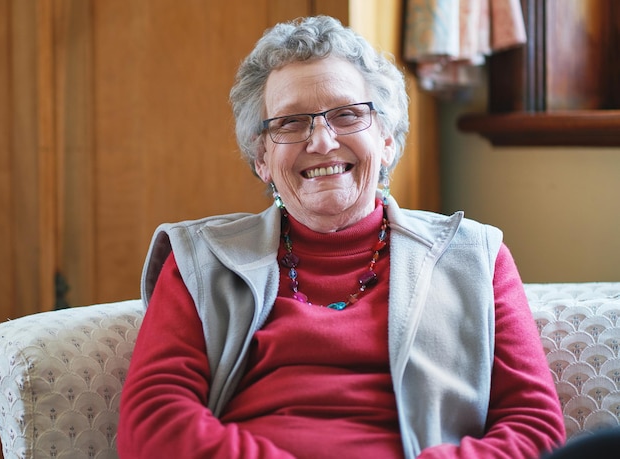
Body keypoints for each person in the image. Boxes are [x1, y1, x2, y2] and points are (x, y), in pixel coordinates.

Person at [117, 15, 566, 458]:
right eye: (290, 123)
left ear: (387, 140)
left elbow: (535, 428)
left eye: (348, 115)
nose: (322, 141)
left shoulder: (471, 256)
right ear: (262, 159)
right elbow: (153, 421)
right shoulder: (204, 261)